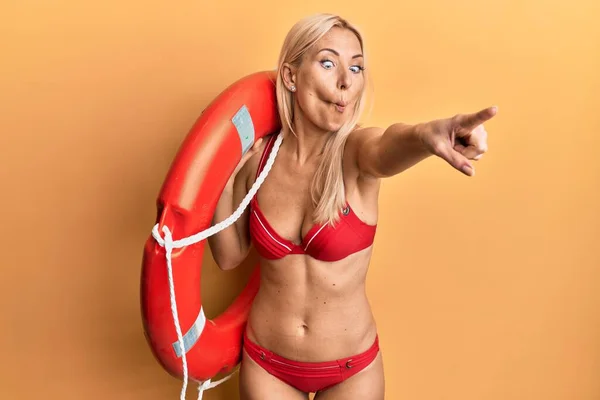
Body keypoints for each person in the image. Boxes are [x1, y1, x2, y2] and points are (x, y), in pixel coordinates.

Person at [207, 13, 496, 400]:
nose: (346, 81)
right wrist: (223, 177)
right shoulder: (260, 160)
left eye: (356, 67)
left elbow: (389, 144)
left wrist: (427, 136)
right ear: (291, 77)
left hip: (349, 371)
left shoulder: (355, 154)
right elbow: (228, 256)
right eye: (328, 63)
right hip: (268, 364)